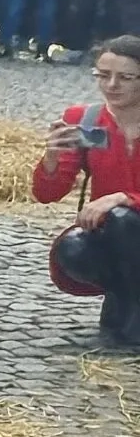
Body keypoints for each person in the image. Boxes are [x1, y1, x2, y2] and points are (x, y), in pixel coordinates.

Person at [35, 35, 140, 348]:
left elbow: (122, 206)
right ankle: (127, 304)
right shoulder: (85, 119)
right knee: (73, 249)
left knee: (122, 216)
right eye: (102, 75)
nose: (111, 85)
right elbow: (47, 194)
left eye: (125, 77)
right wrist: (52, 159)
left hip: (123, 222)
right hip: (114, 235)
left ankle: (125, 318)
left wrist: (125, 198)